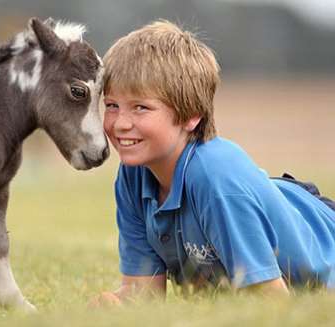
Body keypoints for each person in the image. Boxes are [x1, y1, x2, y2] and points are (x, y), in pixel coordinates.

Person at [93, 19, 335, 305]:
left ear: (190, 115)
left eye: (141, 107)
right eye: (111, 105)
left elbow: (273, 305)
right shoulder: (133, 175)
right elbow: (145, 295)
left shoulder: (214, 177)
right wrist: (114, 306)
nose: (120, 123)